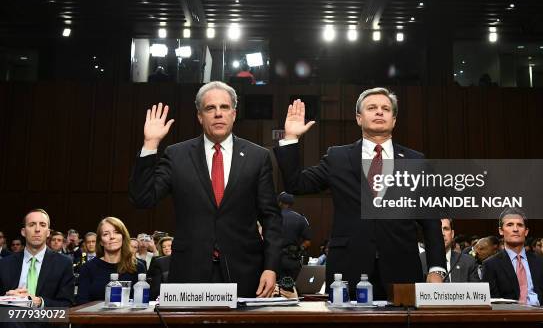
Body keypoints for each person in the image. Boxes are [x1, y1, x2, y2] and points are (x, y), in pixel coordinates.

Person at [274, 88, 446, 299]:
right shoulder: (337, 157)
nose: (379, 112)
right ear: (358, 118)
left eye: (386, 109)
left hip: (402, 270)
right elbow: (296, 184)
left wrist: (436, 269)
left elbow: (430, 221)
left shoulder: (416, 161)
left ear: (394, 120)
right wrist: (291, 138)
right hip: (347, 270)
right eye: (372, 108)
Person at [129, 81, 283, 297]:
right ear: (200, 116)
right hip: (189, 272)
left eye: (224, 107)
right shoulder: (177, 155)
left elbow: (271, 218)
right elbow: (142, 198)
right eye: (210, 108)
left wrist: (271, 266)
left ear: (234, 114)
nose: (218, 114)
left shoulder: (258, 157)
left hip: (246, 273)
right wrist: (150, 145)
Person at [483, 208, 543, 307]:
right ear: (501, 231)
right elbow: (493, 302)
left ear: (526, 231)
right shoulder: (491, 265)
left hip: (542, 318)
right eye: (510, 225)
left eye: (520, 225)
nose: (515, 229)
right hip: (509, 319)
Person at [0, 209, 74, 308]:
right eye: (32, 225)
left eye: (42, 225)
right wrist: (7, 299)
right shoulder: (4, 264)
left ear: (48, 232)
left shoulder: (63, 263)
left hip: (46, 320)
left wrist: (39, 302)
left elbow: (67, 305)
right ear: (23, 232)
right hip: (11, 318)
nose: (37, 229)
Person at [76, 217, 146, 305]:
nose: (112, 237)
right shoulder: (88, 268)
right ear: (100, 241)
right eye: (106, 234)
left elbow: (143, 304)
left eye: (116, 232)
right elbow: (82, 304)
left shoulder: (138, 267)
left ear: (123, 237)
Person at [277, 191, 312, 281]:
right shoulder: (300, 218)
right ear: (291, 203)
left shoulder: (273, 217)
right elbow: (308, 241)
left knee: (275, 289)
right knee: (292, 288)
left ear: (280, 202)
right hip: (292, 260)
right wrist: (299, 249)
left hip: (274, 259)